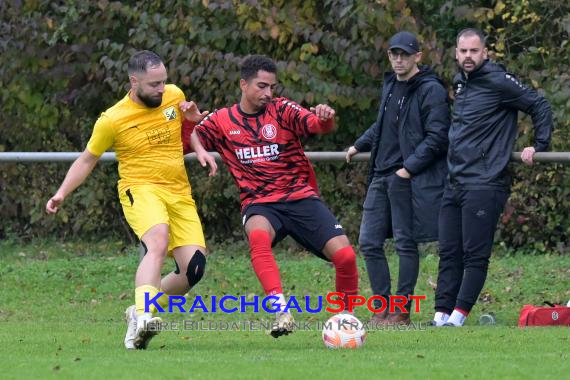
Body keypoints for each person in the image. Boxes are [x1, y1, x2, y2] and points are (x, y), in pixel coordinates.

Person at [45, 50, 216, 349]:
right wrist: (61, 193)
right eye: (153, 84)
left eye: (163, 82)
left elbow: (184, 131)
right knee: (158, 242)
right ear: (133, 81)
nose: (161, 89)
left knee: (194, 269)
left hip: (178, 192)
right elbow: (87, 160)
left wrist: (198, 147)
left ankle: (138, 310)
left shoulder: (175, 95)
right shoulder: (112, 119)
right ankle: (144, 316)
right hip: (140, 188)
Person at [189, 54, 359, 338]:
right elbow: (193, 132)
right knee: (258, 237)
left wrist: (326, 119)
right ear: (243, 84)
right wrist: (201, 148)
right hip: (259, 202)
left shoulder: (282, 110)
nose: (268, 93)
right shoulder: (222, 119)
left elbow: (316, 126)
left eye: (271, 87)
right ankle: (282, 312)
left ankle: (347, 321)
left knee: (346, 257)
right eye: (261, 86)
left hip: (299, 196)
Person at [431, 28, 553, 327]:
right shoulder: (460, 83)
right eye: (463, 51)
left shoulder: (499, 81)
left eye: (474, 51)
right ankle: (440, 315)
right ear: (456, 54)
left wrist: (539, 145)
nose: (468, 57)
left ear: (485, 52)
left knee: (475, 254)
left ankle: (458, 318)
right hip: (455, 181)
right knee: (448, 251)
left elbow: (539, 105)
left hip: (485, 183)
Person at [346, 31, 450, 325]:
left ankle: (400, 312)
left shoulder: (431, 90)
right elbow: (384, 123)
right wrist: (359, 144)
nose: (399, 59)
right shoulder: (390, 84)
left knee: (406, 243)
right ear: (389, 56)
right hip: (380, 174)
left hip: (406, 177)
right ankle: (382, 308)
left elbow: (438, 137)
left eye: (405, 54)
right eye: (395, 54)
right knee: (368, 241)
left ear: (418, 57)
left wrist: (408, 168)